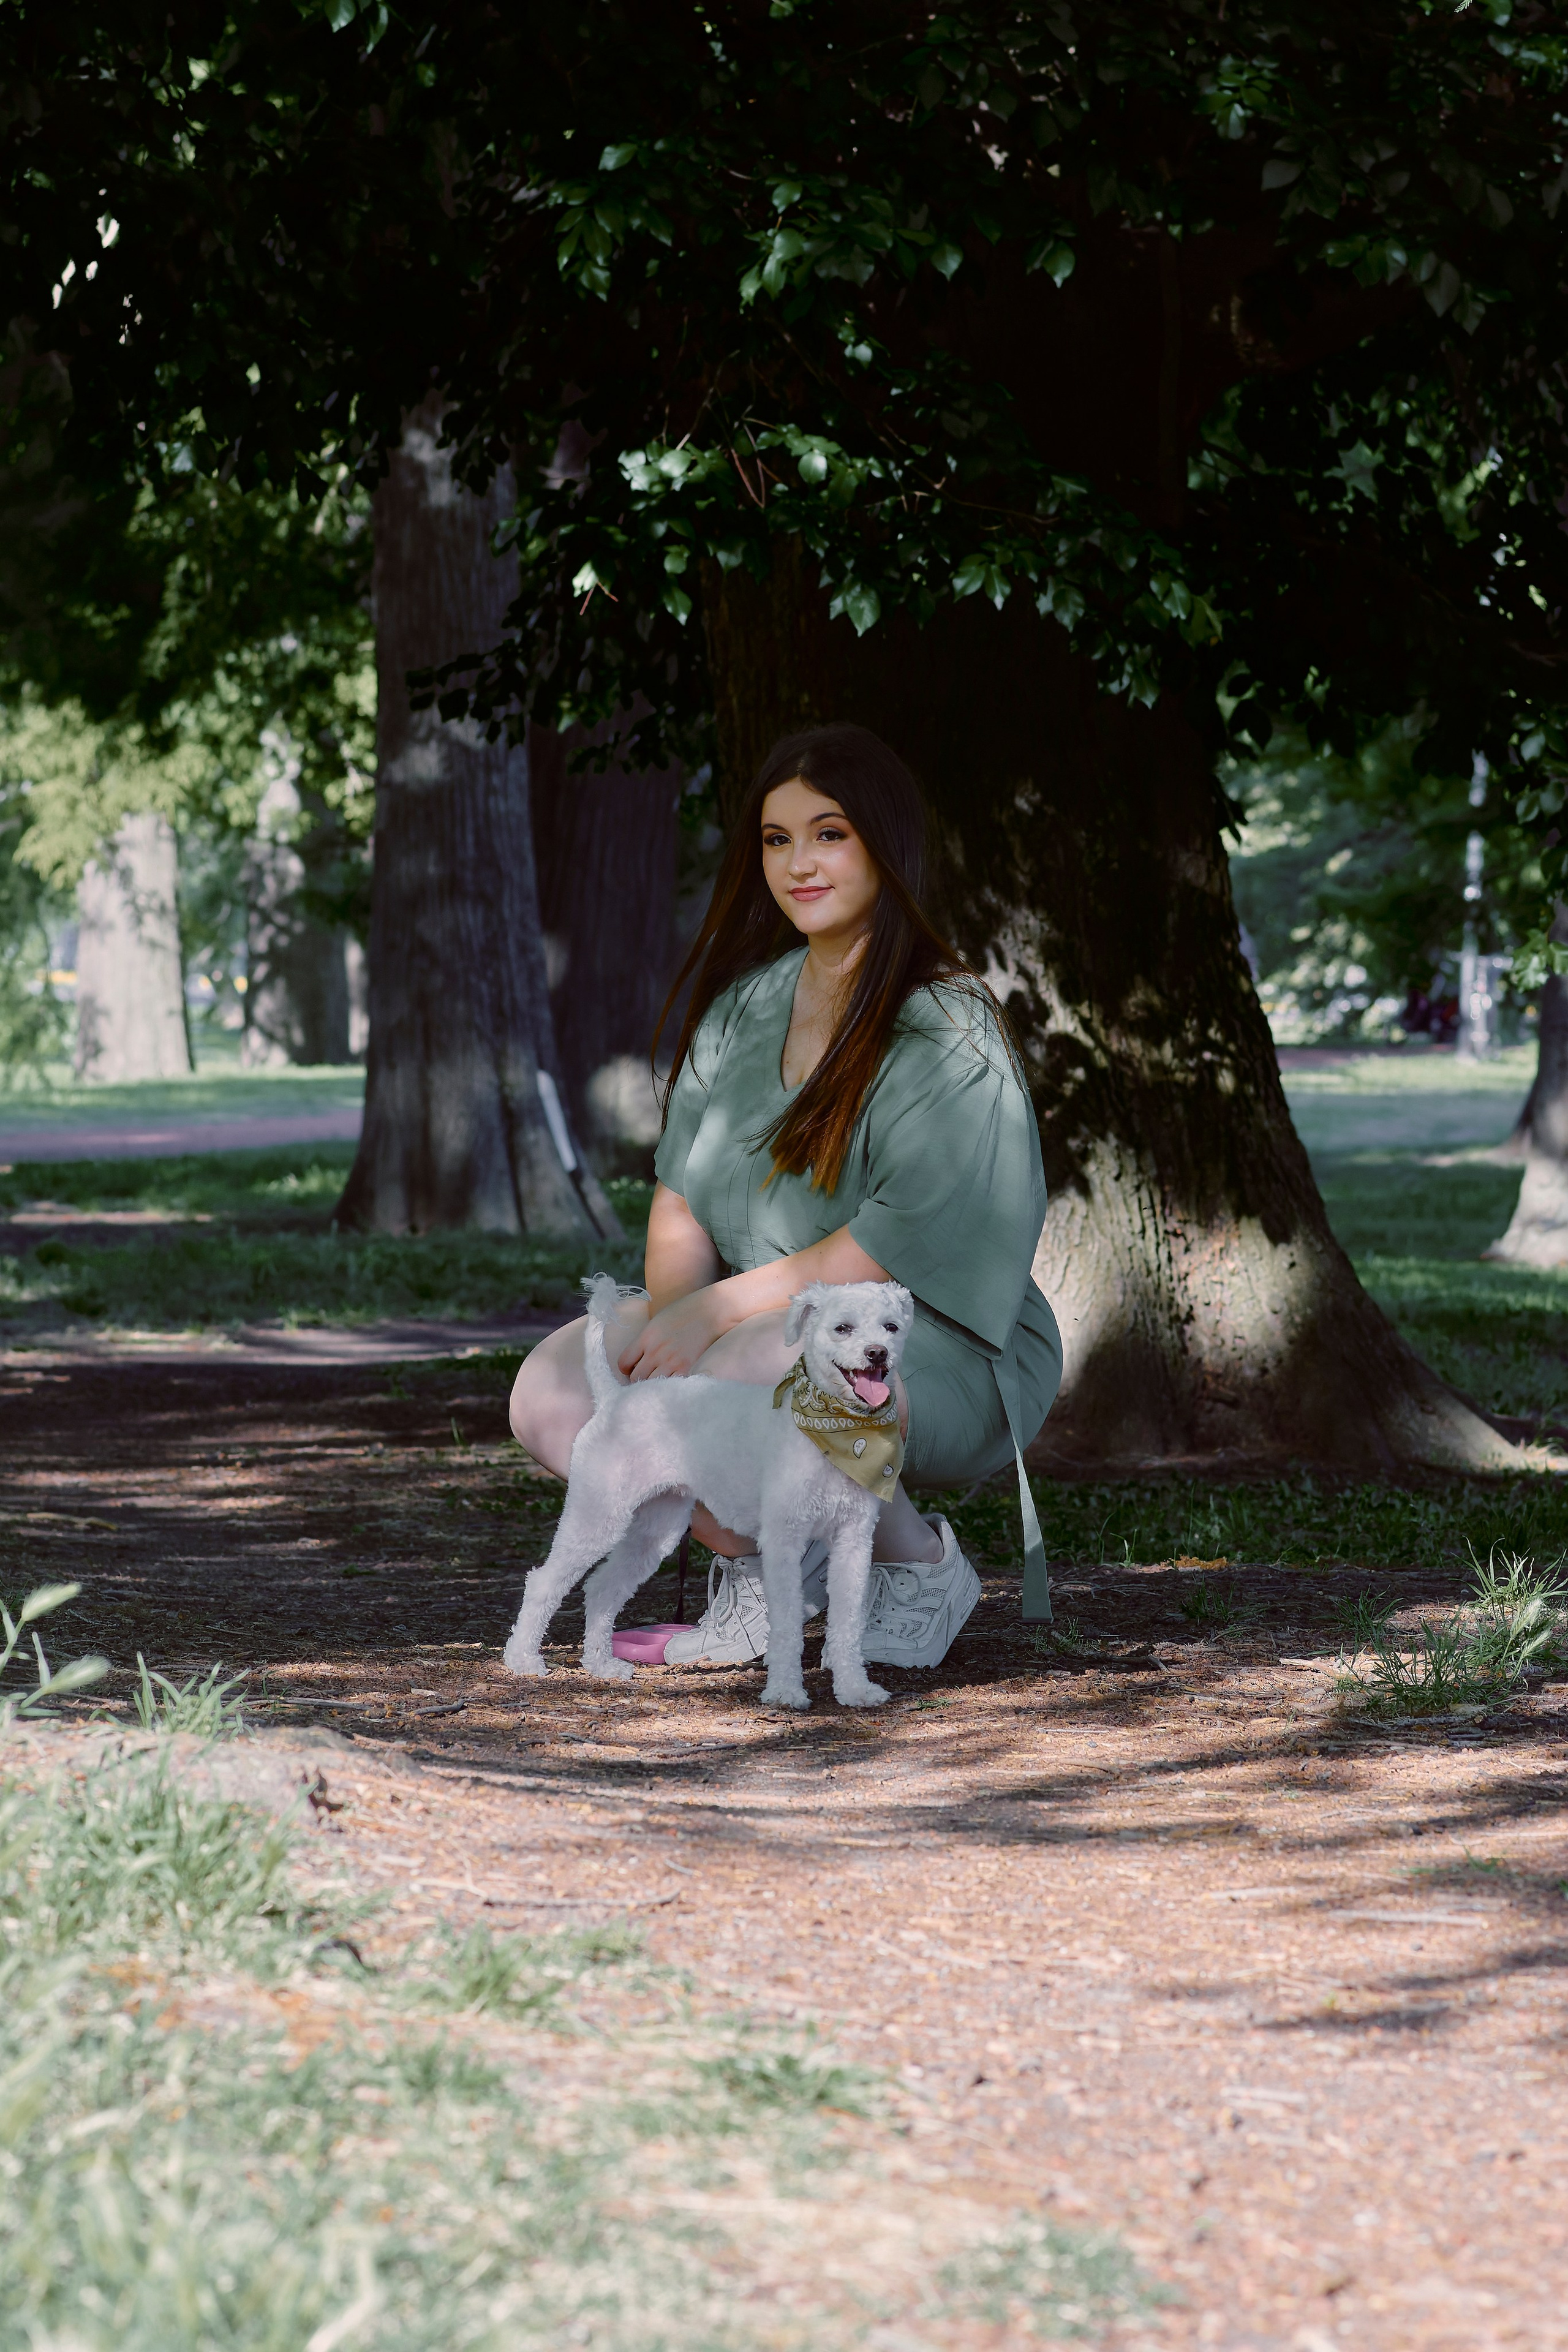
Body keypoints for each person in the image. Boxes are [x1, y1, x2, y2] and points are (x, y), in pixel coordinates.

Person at [508, 722, 1062, 1670]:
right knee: (559, 1390)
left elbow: (889, 1247)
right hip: (753, 1327)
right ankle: (770, 1575)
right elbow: (680, 1204)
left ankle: (919, 1569)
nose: (798, 862)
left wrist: (712, 1324)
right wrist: (676, 1323)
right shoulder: (743, 1009)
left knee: (759, 1370)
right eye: (776, 839)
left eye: (829, 833)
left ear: (886, 844)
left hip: (941, 1343)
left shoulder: (948, 1024)